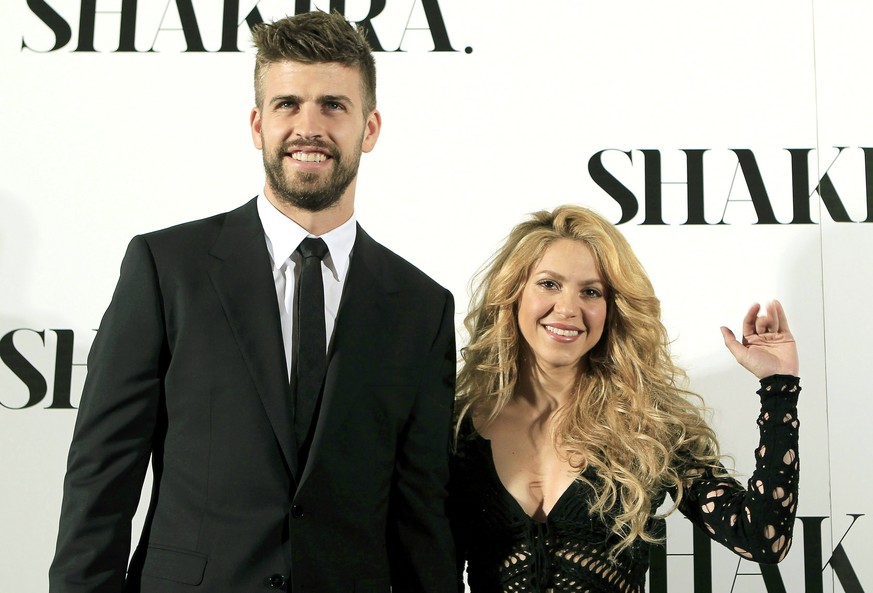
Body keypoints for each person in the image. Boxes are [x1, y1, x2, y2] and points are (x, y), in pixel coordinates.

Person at [49, 11, 457, 593]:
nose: (308, 127)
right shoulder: (168, 269)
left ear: (370, 128)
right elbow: (101, 477)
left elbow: (423, 520)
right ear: (257, 124)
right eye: (287, 104)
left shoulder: (421, 307)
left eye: (333, 106)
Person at [450, 205, 800, 593]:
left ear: (611, 309)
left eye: (591, 291)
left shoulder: (648, 427)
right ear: (513, 293)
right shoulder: (456, 430)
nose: (567, 309)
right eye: (549, 284)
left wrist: (778, 386)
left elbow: (763, 538)